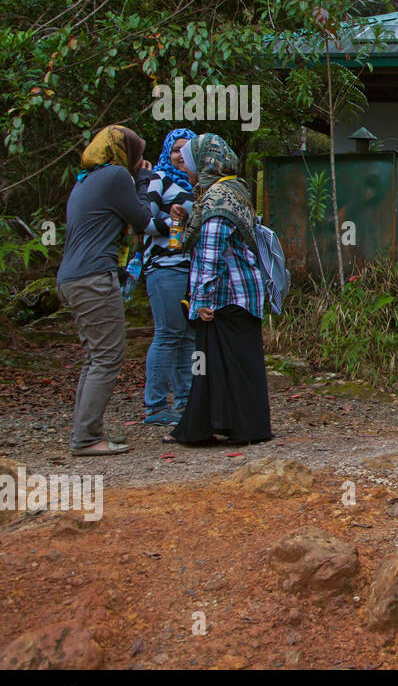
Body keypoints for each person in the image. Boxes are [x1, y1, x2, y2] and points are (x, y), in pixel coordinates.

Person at [167, 134, 273, 446]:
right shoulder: (234, 191)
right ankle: (233, 426)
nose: (187, 168)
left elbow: (211, 254)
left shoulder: (217, 201)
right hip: (243, 295)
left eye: (190, 162)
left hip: (229, 297)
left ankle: (209, 428)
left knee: (214, 364)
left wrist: (201, 300)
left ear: (205, 162)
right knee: (230, 365)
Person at [55, 125, 154, 457]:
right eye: (136, 153)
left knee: (94, 357)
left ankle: (85, 432)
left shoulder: (85, 180)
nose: (138, 159)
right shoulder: (115, 176)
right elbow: (142, 219)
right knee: (108, 357)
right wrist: (141, 180)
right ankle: (85, 439)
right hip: (94, 278)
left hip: (71, 279)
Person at [141, 127, 198, 427]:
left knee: (188, 335)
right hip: (165, 267)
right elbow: (141, 220)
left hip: (190, 267)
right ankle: (156, 406)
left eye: (187, 150)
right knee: (167, 334)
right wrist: (171, 221)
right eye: (176, 149)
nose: (180, 155)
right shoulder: (158, 179)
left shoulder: (197, 184)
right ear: (167, 152)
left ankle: (185, 402)